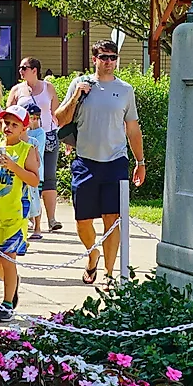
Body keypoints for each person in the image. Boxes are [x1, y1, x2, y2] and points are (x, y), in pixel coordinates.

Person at [55, 40, 145, 285]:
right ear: (94, 59)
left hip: (115, 161)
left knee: (112, 218)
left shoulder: (125, 90)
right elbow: (60, 119)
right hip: (85, 161)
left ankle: (108, 273)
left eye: (112, 57)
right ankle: (92, 254)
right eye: (103, 57)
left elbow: (133, 129)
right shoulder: (81, 85)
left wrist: (141, 161)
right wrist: (76, 95)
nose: (108, 62)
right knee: (82, 221)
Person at [0, 104, 42, 321]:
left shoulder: (28, 150)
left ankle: (7, 303)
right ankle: (13, 283)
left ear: (23, 128)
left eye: (14, 124)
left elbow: (34, 179)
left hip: (16, 213)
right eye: (6, 123)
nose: (8, 127)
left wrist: (13, 166)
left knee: (8, 259)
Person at [9, 57, 61, 233]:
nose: (21, 71)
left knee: (49, 176)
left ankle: (51, 219)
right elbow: (9, 115)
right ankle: (30, 217)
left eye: (25, 67)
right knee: (29, 176)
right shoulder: (17, 90)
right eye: (20, 67)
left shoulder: (48, 88)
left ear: (35, 70)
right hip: (25, 138)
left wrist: (63, 134)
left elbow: (56, 113)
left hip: (48, 135)